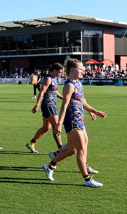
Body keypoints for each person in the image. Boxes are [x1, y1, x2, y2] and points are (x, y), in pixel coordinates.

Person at [42, 59, 106, 188]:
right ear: (72, 69)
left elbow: (82, 101)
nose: (83, 71)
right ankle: (87, 179)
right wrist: (59, 124)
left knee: (73, 149)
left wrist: (93, 111)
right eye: (81, 68)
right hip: (72, 119)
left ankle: (50, 166)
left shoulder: (78, 83)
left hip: (80, 118)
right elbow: (64, 106)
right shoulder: (69, 85)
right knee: (81, 150)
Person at [26, 63, 64, 153]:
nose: (60, 74)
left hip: (52, 104)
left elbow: (54, 91)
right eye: (59, 72)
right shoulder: (48, 79)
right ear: (54, 70)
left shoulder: (54, 79)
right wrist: (37, 105)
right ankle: (61, 149)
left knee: (46, 127)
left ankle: (31, 143)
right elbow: (42, 92)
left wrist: (63, 98)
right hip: (48, 105)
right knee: (56, 126)